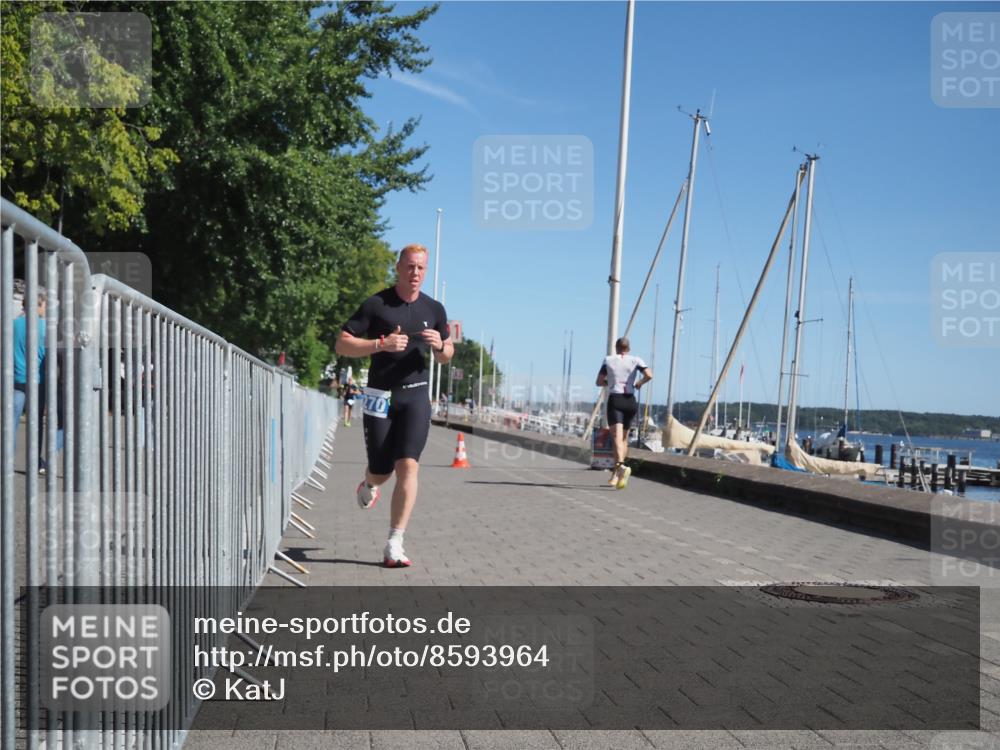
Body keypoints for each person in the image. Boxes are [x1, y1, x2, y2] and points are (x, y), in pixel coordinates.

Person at [335, 244, 453, 567]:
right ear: (399, 268)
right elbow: (342, 342)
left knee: (409, 466)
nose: (416, 273)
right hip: (380, 396)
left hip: (416, 397)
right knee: (382, 469)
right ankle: (370, 482)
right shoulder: (377, 305)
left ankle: (394, 543)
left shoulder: (435, 309)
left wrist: (440, 345)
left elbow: (447, 354)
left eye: (421, 268)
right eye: (410, 267)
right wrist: (380, 344)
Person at [596, 336, 652, 489]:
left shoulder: (608, 360)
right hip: (630, 401)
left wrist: (611, 382)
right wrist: (639, 383)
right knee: (624, 440)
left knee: (616, 438)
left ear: (616, 347)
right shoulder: (636, 360)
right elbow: (649, 375)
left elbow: (599, 381)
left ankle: (620, 468)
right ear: (629, 348)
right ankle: (616, 475)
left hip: (616, 400)